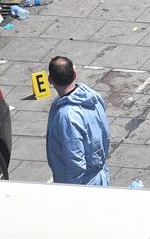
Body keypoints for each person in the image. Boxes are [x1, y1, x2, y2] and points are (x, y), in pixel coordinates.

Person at [46, 56, 111, 185]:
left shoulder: (67, 115)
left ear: (49, 80)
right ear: (74, 74)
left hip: (82, 185)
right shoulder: (92, 96)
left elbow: (75, 159)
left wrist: (73, 191)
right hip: (99, 176)